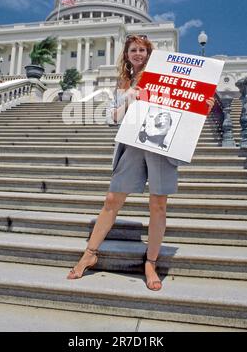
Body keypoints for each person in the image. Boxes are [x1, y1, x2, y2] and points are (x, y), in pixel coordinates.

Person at [67, 35, 215, 290]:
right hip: (133, 143)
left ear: (149, 54)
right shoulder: (123, 83)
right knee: (112, 200)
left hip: (161, 144)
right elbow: (111, 118)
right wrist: (128, 99)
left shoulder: (166, 75)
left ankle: (151, 263)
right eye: (133, 50)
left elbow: (184, 105)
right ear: (126, 55)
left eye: (143, 50)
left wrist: (204, 106)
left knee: (158, 204)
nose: (138, 54)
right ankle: (90, 252)